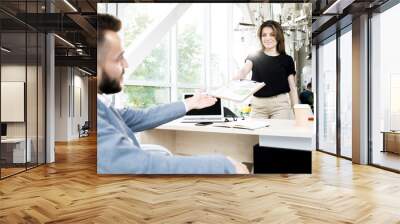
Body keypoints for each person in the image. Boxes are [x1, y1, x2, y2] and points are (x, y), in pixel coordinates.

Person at [97, 14, 248, 174]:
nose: (126, 64)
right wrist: (224, 165)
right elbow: (133, 164)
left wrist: (191, 103)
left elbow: (142, 117)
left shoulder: (101, 105)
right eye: (119, 58)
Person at [233, 20, 299, 119]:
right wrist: (234, 80)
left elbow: (292, 88)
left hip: (280, 106)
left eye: (272, 34)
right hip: (258, 105)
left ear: (278, 37)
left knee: (275, 134)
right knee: (256, 134)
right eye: (264, 35)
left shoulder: (287, 60)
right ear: (260, 38)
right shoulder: (254, 56)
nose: (267, 38)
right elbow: (243, 71)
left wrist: (297, 113)